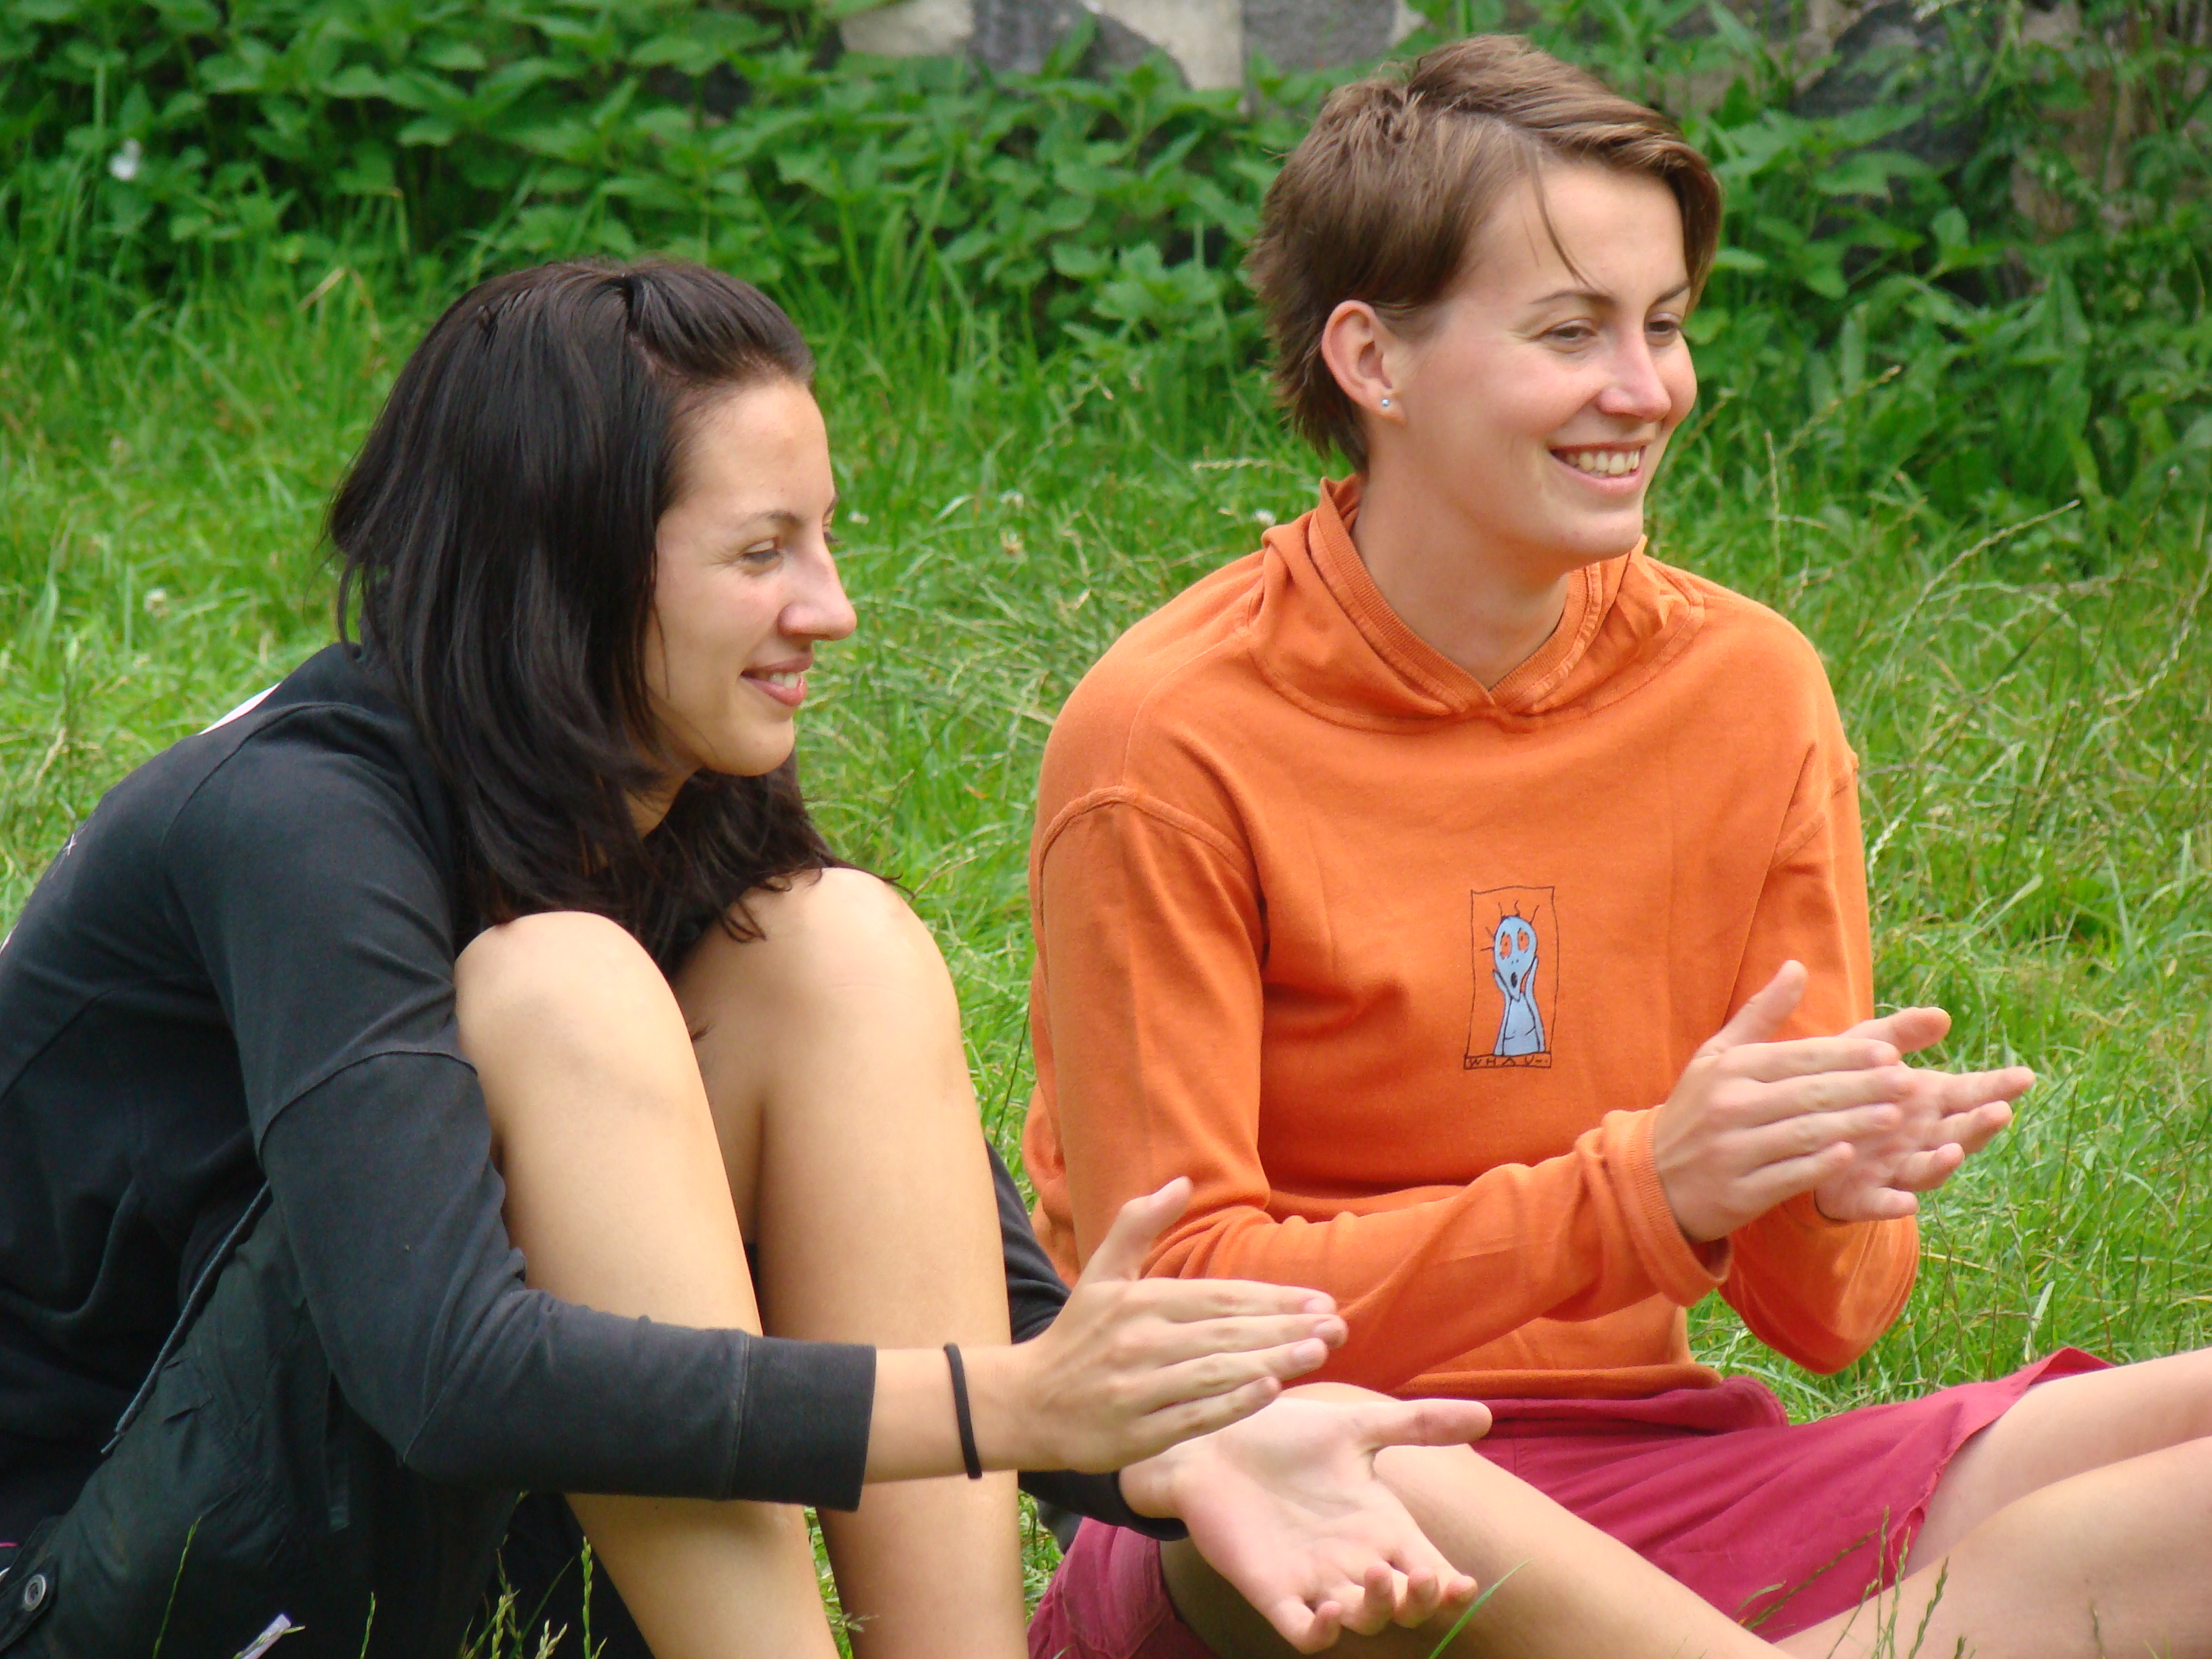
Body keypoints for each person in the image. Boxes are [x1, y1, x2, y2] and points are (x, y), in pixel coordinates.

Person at [0, 260, 1501, 1659]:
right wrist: (1003, 1405)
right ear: (569, 575)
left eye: (825, 537)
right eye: (761, 552)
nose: (830, 610)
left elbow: (964, 1307)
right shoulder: (301, 824)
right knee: (567, 989)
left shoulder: (656, 775)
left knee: (836, 944)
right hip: (89, 1575)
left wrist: (1179, 1439)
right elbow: (442, 1369)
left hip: (381, 1522)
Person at [1020, 35, 2212, 1659]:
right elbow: (1180, 1325)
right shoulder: (1167, 738)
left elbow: (1833, 1321)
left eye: (1664, 324)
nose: (1646, 390)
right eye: (1570, 330)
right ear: (1372, 360)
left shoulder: (1748, 690)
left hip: (1667, 1481)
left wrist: (1818, 1181)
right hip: (1288, 1498)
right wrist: (1641, 1192)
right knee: (1383, 1468)